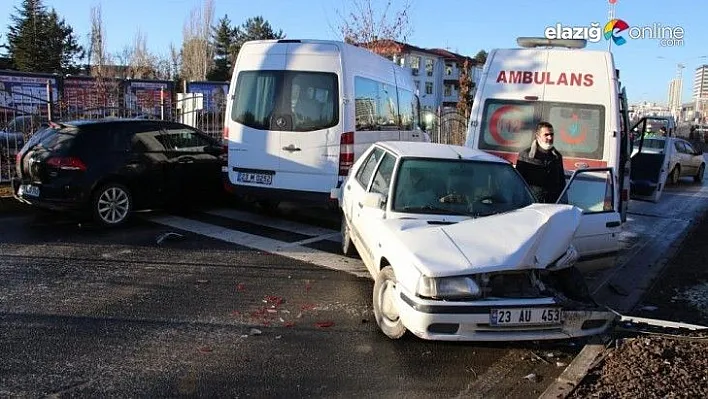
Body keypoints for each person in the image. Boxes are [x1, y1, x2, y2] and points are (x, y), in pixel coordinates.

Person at [515, 121, 567, 204]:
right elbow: (518, 184)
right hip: (531, 204)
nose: (550, 138)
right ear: (537, 136)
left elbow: (562, 184)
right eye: (546, 135)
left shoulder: (557, 156)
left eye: (552, 134)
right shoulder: (525, 155)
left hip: (551, 205)